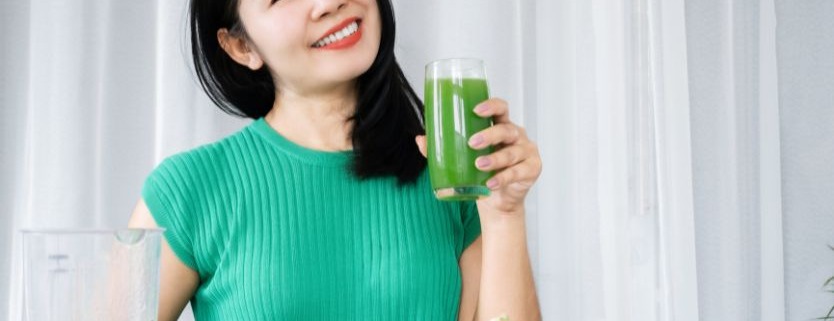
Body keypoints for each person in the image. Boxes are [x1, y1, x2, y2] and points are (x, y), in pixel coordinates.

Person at [128, 0, 542, 320]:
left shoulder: (451, 179)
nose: (328, 3)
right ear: (241, 46)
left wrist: (504, 215)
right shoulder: (188, 191)